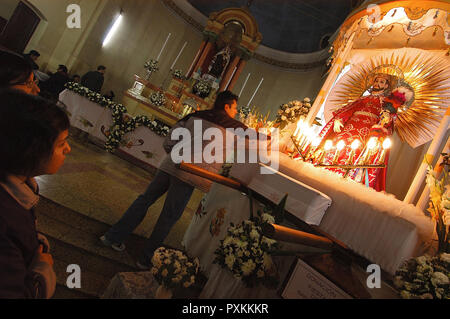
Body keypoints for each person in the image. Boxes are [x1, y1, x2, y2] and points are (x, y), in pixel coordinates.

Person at [100, 91, 248, 269]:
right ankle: (146, 259)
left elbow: (169, 139)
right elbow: (255, 146)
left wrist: (176, 155)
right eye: (235, 108)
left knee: (144, 200)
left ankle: (112, 237)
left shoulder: (194, 116)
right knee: (168, 216)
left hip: (170, 165)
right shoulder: (235, 128)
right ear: (227, 106)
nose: (236, 112)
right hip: (190, 174)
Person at [0, 89, 71, 298]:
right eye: (61, 143)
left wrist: (35, 241)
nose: (68, 149)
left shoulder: (21, 190)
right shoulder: (4, 215)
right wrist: (41, 267)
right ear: (30, 149)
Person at [317, 70, 401, 191]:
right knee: (338, 146)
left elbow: (388, 122)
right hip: (350, 126)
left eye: (381, 82)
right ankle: (328, 167)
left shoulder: (387, 103)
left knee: (357, 152)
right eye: (376, 81)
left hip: (366, 132)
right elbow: (350, 108)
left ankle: (350, 175)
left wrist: (387, 118)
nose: (377, 83)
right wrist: (340, 119)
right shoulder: (363, 99)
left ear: (387, 85)